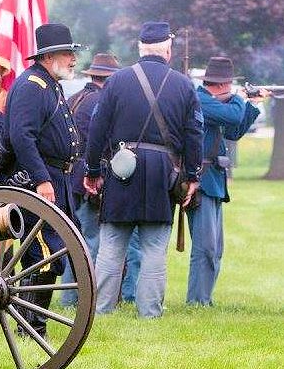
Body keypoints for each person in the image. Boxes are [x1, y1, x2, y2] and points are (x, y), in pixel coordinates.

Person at [84, 21, 203, 318]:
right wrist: (191, 176)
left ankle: (100, 311)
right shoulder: (183, 85)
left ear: (140, 48)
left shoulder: (117, 81)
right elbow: (194, 135)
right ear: (168, 49)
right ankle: (149, 313)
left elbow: (97, 129)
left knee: (111, 247)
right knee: (153, 250)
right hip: (163, 172)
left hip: (122, 169)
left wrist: (92, 169)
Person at [0, 23, 85, 338]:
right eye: (67, 53)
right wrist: (41, 179)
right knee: (44, 256)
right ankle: (31, 324)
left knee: (55, 254)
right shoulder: (32, 85)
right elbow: (22, 136)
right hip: (35, 183)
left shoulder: (50, 84)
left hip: (55, 180)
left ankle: (33, 322)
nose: (73, 59)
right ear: (49, 57)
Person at [186, 56, 262, 306]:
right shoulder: (201, 100)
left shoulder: (217, 103)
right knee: (205, 248)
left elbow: (234, 131)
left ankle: (204, 299)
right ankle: (197, 301)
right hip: (202, 181)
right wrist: (241, 98)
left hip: (214, 181)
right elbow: (231, 117)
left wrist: (251, 105)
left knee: (215, 249)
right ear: (221, 84)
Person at [59, 53, 121, 306]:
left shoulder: (74, 98)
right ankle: (81, 296)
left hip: (70, 175)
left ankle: (69, 296)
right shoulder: (101, 101)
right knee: (91, 241)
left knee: (74, 239)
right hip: (89, 177)